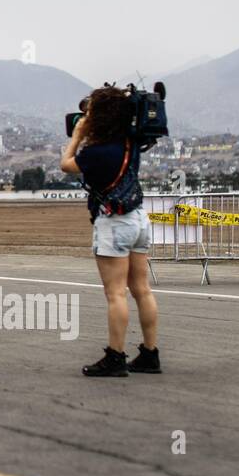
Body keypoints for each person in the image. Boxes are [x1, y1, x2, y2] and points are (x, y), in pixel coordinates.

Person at [60, 86, 161, 377]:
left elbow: (66, 165)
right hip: (139, 219)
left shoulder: (98, 152)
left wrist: (77, 136)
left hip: (115, 223)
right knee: (142, 289)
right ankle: (150, 354)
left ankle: (115, 357)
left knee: (115, 293)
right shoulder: (131, 142)